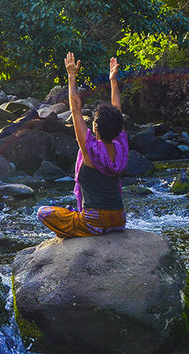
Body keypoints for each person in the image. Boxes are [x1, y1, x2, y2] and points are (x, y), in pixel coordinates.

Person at [36, 53, 129, 238]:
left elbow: (75, 109)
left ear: (95, 127)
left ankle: (76, 229)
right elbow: (117, 111)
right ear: (118, 128)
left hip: (94, 223)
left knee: (43, 213)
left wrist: (71, 76)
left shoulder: (90, 150)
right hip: (119, 220)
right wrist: (113, 81)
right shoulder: (122, 145)